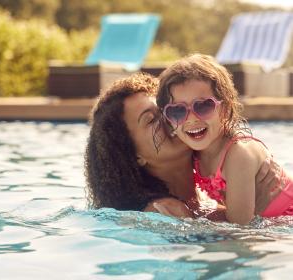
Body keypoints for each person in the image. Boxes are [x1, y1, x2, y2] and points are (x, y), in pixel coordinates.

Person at [85, 72, 282, 220]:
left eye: (171, 109)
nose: (174, 119)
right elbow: (241, 247)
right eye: (151, 119)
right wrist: (260, 212)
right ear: (135, 156)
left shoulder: (211, 186)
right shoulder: (165, 211)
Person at [157, 54, 292, 224]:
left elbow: (239, 229)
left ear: (226, 107)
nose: (191, 118)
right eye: (177, 111)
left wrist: (191, 219)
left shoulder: (239, 154)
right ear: (168, 118)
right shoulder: (192, 153)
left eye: (204, 106)